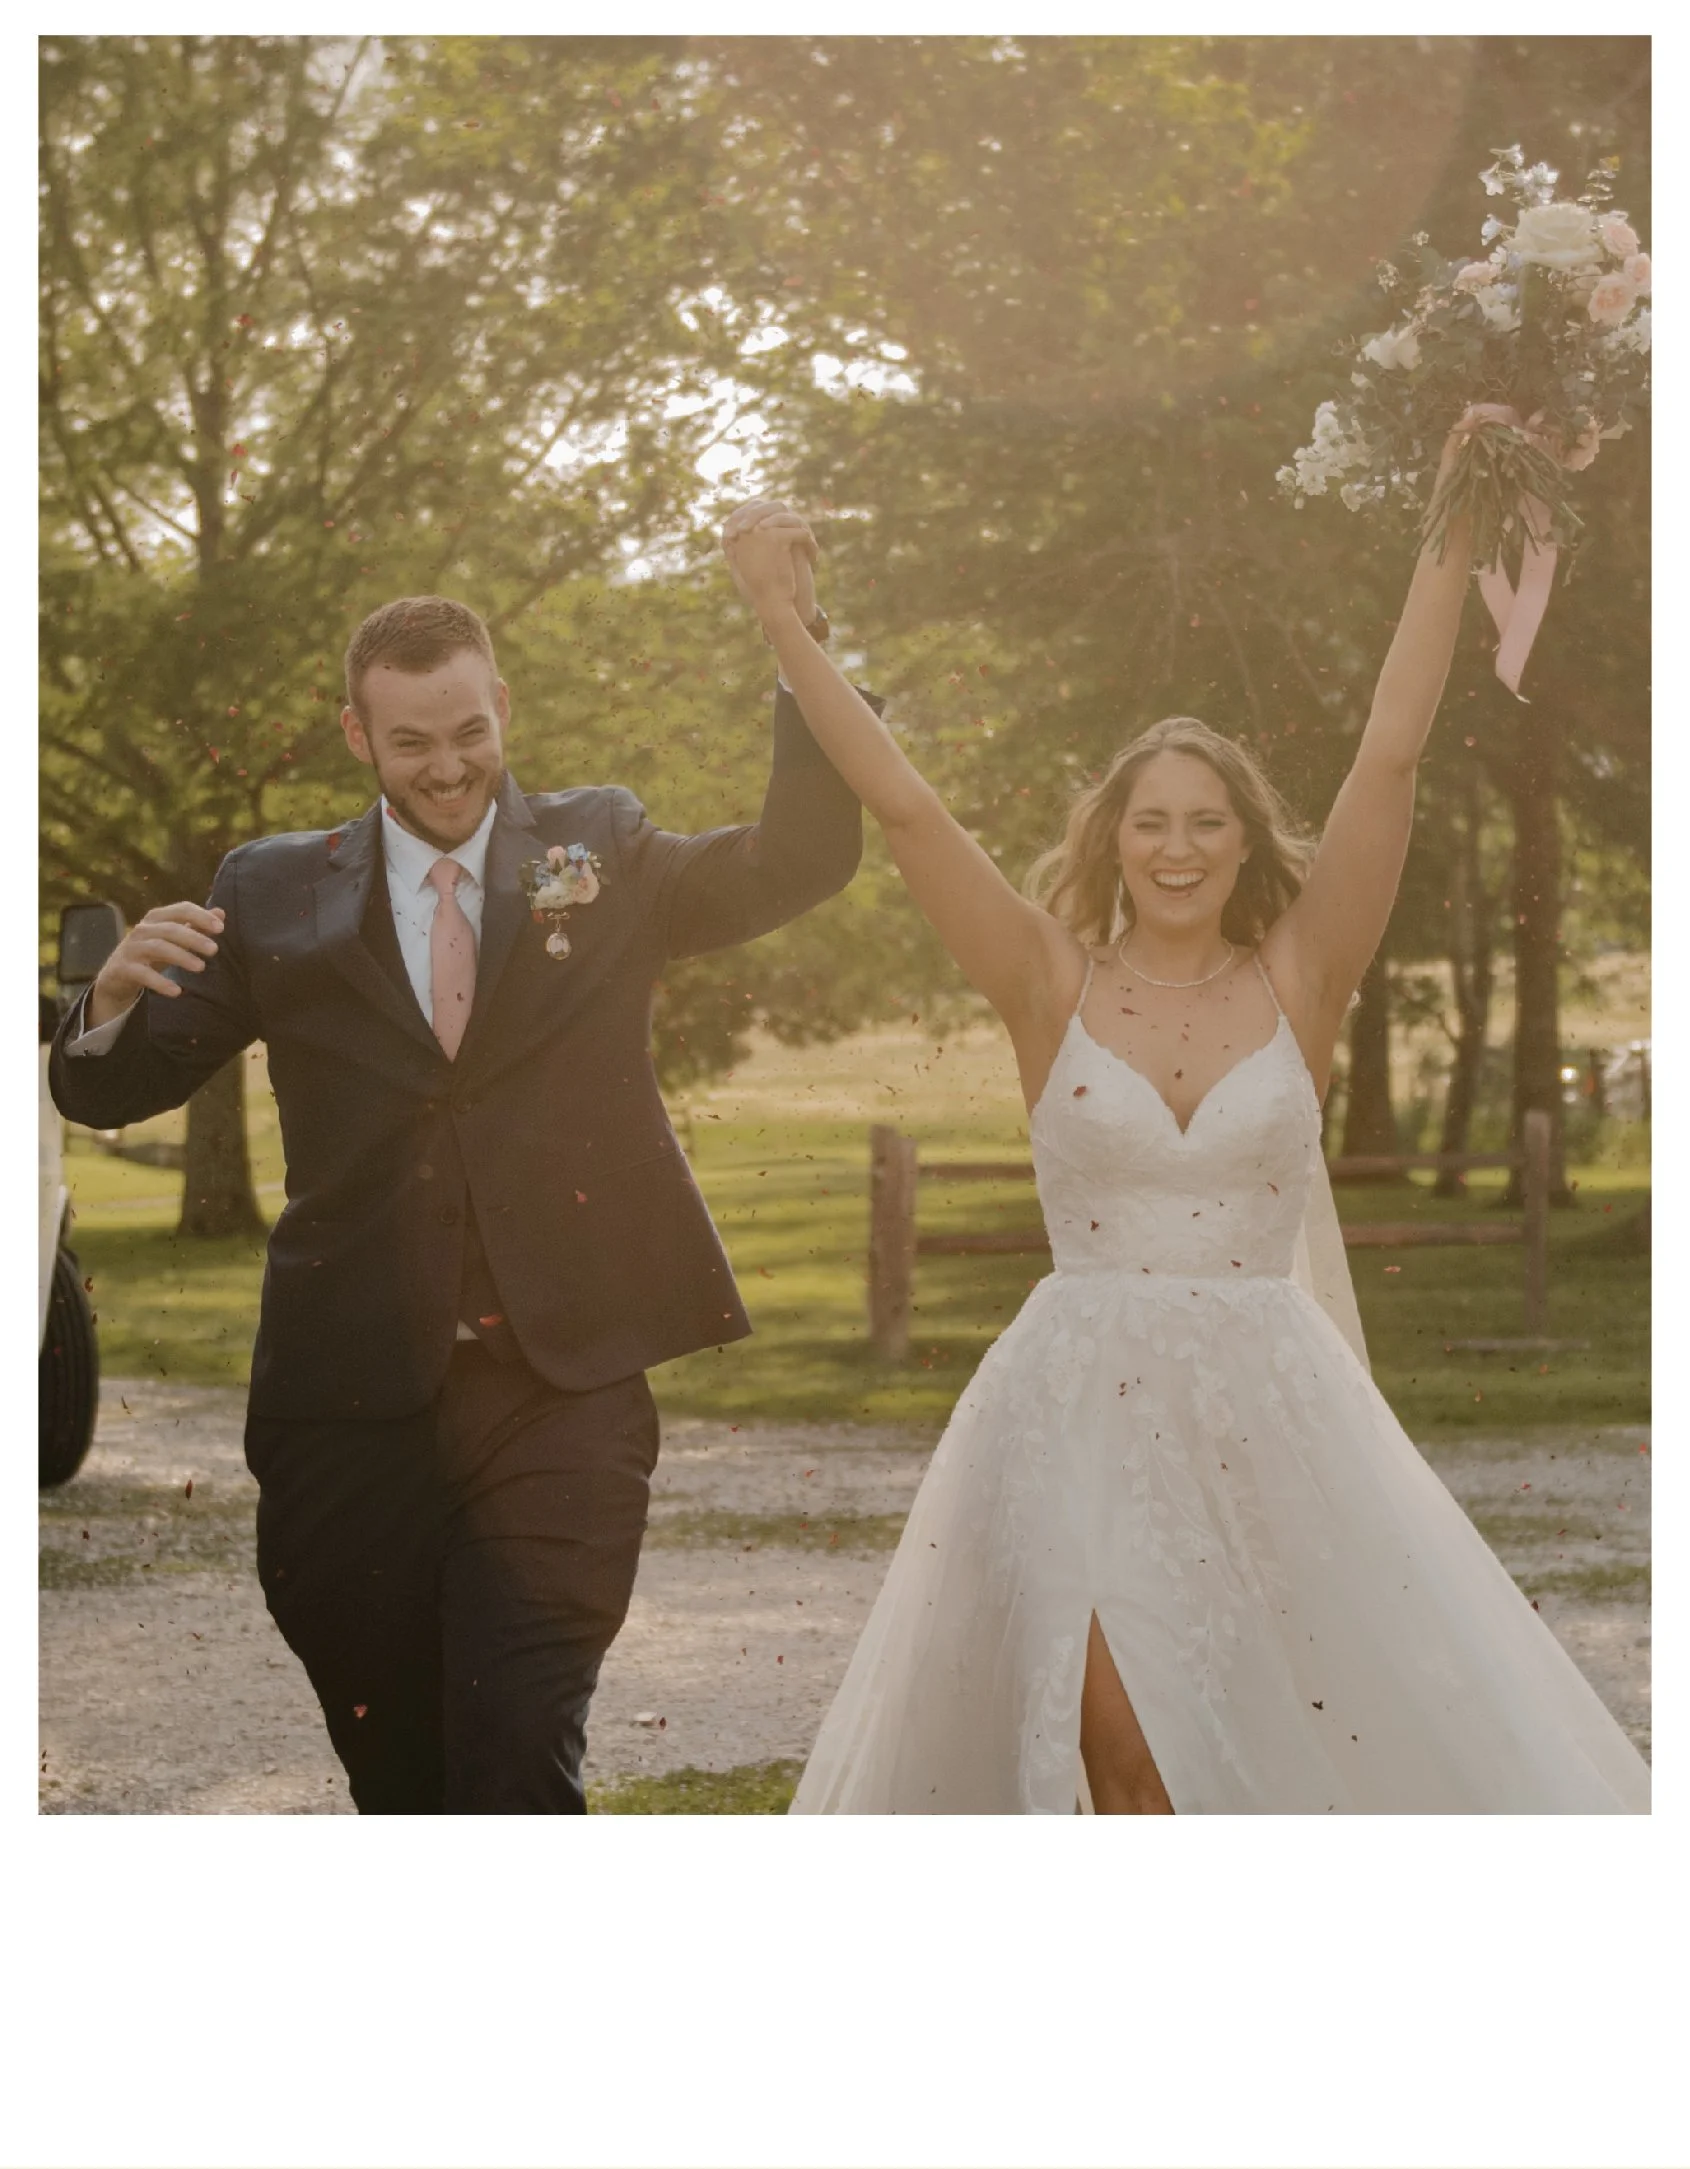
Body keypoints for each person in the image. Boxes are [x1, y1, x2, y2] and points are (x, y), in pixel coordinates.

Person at [722, 418, 1650, 1815]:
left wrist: (1455, 518)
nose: (1174, 846)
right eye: (1149, 820)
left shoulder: (1301, 977)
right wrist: (782, 626)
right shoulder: (1046, 980)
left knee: (1263, 1739)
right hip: (1073, 1404)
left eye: (1204, 820)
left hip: (1270, 1413)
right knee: (1116, 1739)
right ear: (1112, 837)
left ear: (1241, 840)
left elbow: (1388, 757)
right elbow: (905, 811)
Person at [49, 530, 867, 1815]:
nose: (449, 768)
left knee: (516, 1747)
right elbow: (106, 1091)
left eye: (468, 732)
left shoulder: (597, 846)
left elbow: (796, 860)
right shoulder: (268, 893)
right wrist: (97, 1000)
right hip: (348, 1403)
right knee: (399, 1774)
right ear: (356, 735)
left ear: (502, 711)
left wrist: (795, 640)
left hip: (563, 1388)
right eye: (414, 742)